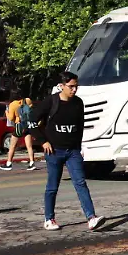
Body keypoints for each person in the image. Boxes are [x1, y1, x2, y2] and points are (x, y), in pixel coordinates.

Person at [31, 72, 104, 232]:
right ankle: (49, 218)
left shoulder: (78, 103)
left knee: (80, 183)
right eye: (71, 86)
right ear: (61, 86)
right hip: (54, 151)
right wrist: (43, 141)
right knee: (52, 186)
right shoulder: (50, 102)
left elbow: (79, 126)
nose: (74, 89)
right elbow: (30, 122)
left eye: (76, 86)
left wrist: (79, 147)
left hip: (73, 151)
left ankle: (91, 218)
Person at [0, 91, 38, 171]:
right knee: (29, 146)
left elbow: (10, 118)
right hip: (28, 125)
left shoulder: (12, 104)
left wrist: (6, 112)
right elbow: (31, 110)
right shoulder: (27, 100)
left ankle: (8, 163)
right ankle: (32, 163)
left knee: (12, 146)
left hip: (19, 126)